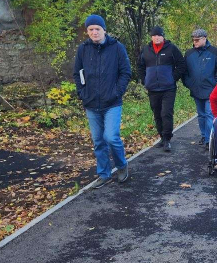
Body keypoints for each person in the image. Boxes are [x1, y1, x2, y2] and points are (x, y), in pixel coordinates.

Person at [73, 14, 132, 189]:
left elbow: (126, 72)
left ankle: (121, 166)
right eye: (90, 29)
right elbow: (78, 74)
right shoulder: (83, 49)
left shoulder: (117, 48)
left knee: (111, 137)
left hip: (112, 103)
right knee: (98, 140)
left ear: (104, 30)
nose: (94, 32)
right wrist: (82, 93)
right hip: (91, 103)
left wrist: (116, 92)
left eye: (97, 29)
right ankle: (104, 174)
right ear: (87, 32)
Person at [137, 26, 186, 152]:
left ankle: (167, 139)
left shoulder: (171, 48)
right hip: (152, 88)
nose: (157, 37)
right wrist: (145, 80)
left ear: (163, 36)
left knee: (166, 113)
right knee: (157, 113)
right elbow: (140, 66)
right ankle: (162, 137)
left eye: (159, 35)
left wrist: (172, 78)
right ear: (151, 37)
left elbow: (181, 64)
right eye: (154, 35)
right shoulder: (146, 50)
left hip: (168, 88)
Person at [183, 28, 217, 148]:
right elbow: (184, 71)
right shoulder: (189, 53)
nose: (195, 42)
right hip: (196, 89)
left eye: (197, 40)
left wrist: (215, 84)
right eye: (193, 40)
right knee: (201, 114)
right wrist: (189, 83)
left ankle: (209, 139)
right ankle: (204, 135)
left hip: (211, 90)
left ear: (204, 39)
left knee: (209, 114)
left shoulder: (214, 52)